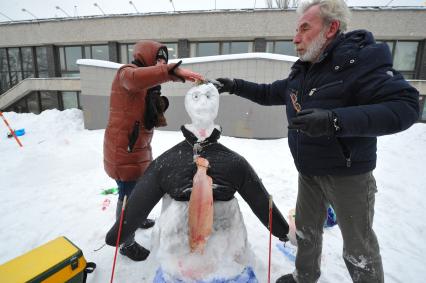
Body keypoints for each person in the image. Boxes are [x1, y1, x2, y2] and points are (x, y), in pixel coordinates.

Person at [214, 0, 420, 282]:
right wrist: (235, 85)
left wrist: (334, 120)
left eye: (304, 28)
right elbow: (270, 92)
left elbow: (406, 105)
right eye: (296, 29)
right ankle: (304, 276)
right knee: (306, 231)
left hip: (348, 175)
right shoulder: (304, 70)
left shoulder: (360, 61)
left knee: (358, 247)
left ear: (331, 28)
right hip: (309, 170)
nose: (295, 37)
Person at [105, 83, 290, 282]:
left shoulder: (233, 163)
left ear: (217, 105)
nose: (202, 102)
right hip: (178, 258)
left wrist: (281, 229)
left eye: (208, 97)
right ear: (186, 104)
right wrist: (119, 233)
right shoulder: (167, 163)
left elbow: (261, 201)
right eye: (195, 97)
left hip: (225, 257)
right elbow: (138, 204)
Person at [103, 40, 203, 261]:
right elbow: (136, 79)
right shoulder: (126, 74)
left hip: (138, 148)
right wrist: (169, 71)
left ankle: (135, 219)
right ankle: (125, 242)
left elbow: (147, 115)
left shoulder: (149, 86)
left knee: (137, 189)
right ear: (145, 57)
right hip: (124, 150)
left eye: (163, 60)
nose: (160, 63)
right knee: (128, 195)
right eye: (157, 59)